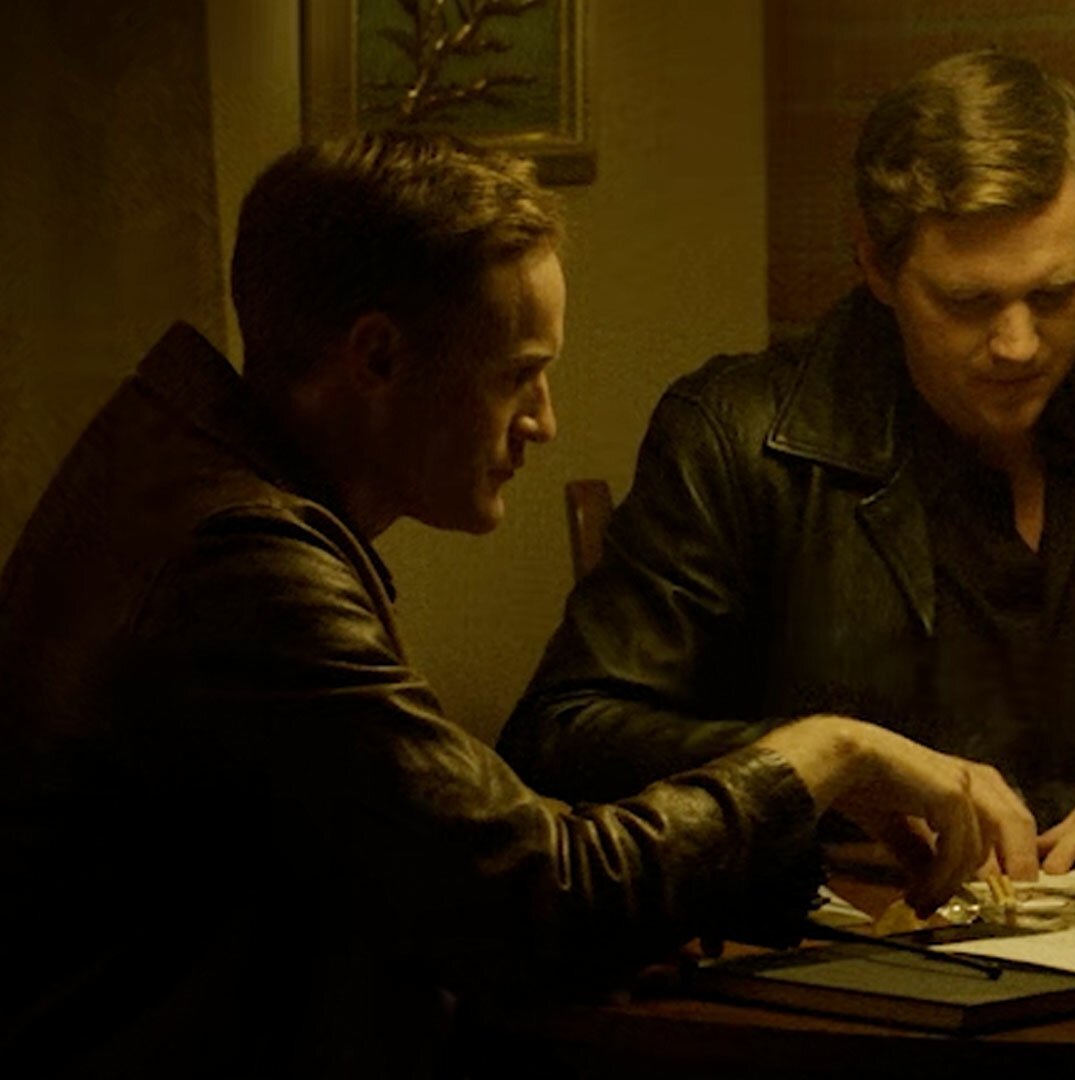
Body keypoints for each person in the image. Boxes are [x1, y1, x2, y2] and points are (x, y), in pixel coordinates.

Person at [0, 133, 1015, 1076]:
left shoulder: (178, 472)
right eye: (520, 375)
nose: (544, 422)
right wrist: (828, 753)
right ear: (377, 357)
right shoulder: (244, 565)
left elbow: (441, 850)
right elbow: (538, 903)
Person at [500, 50, 1075, 880]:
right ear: (875, 262)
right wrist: (831, 764)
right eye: (967, 301)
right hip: (855, 933)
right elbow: (563, 737)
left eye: (1055, 294)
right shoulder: (738, 438)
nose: (1018, 345)